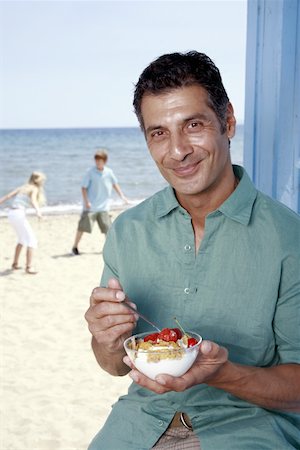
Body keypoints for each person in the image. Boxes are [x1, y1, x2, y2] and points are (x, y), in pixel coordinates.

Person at [84, 52, 300, 450]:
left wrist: (221, 374)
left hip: (250, 429)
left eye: (193, 125)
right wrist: (106, 339)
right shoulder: (128, 232)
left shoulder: (289, 239)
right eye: (159, 133)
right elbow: (114, 365)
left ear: (228, 122)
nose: (178, 151)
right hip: (138, 424)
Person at [72, 148, 128, 255]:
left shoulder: (109, 172)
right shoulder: (90, 172)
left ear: (104, 161)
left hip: (104, 207)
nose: (97, 162)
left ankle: (110, 249)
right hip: (91, 207)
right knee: (82, 228)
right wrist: (86, 201)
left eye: (100, 160)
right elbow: (83, 188)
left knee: (108, 230)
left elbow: (115, 184)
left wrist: (122, 196)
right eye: (96, 160)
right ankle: (75, 247)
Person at [0, 171, 46, 274]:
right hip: (19, 213)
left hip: (11, 213)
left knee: (21, 239)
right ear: (37, 181)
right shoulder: (34, 188)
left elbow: (7, 196)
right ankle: (29, 267)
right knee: (32, 241)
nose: (42, 183)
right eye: (42, 181)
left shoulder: (23, 187)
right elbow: (34, 200)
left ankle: (15, 264)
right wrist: (38, 212)